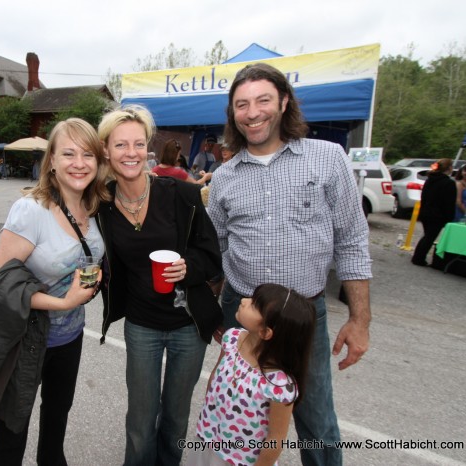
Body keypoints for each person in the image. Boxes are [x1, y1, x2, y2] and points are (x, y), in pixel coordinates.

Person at [208, 63, 372, 466]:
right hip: (241, 311)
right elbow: (215, 249)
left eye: (263, 100)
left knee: (316, 419)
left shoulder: (328, 159)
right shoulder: (225, 177)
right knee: (236, 409)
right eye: (242, 104)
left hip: (304, 316)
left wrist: (360, 321)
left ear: (283, 101)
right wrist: (212, 307)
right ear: (233, 113)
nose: (253, 112)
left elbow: (352, 240)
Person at [97, 105, 223, 466]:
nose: (131, 153)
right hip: (141, 325)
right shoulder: (102, 205)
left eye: (138, 144)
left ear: (148, 147)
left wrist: (189, 267)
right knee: (140, 418)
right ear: (106, 149)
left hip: (187, 325)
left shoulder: (181, 194)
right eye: (121, 145)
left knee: (175, 416)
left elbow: (212, 254)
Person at [0, 118, 109, 465]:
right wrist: (63, 300)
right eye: (68, 153)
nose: (79, 163)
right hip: (26, 339)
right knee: (12, 431)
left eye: (88, 154)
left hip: (70, 336)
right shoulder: (31, 210)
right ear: (51, 160)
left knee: (57, 417)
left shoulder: (96, 208)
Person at [188, 284, 316, 466]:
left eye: (255, 305)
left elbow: (276, 437)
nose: (244, 301)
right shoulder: (231, 339)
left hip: (241, 460)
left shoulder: (279, 385)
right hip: (208, 439)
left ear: (265, 332)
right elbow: (215, 378)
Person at [411, 159, 457, 266]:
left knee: (427, 235)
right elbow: (449, 202)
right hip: (438, 215)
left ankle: (418, 256)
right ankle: (418, 258)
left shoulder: (430, 180)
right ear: (449, 168)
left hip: (426, 211)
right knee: (429, 237)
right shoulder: (449, 183)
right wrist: (449, 217)